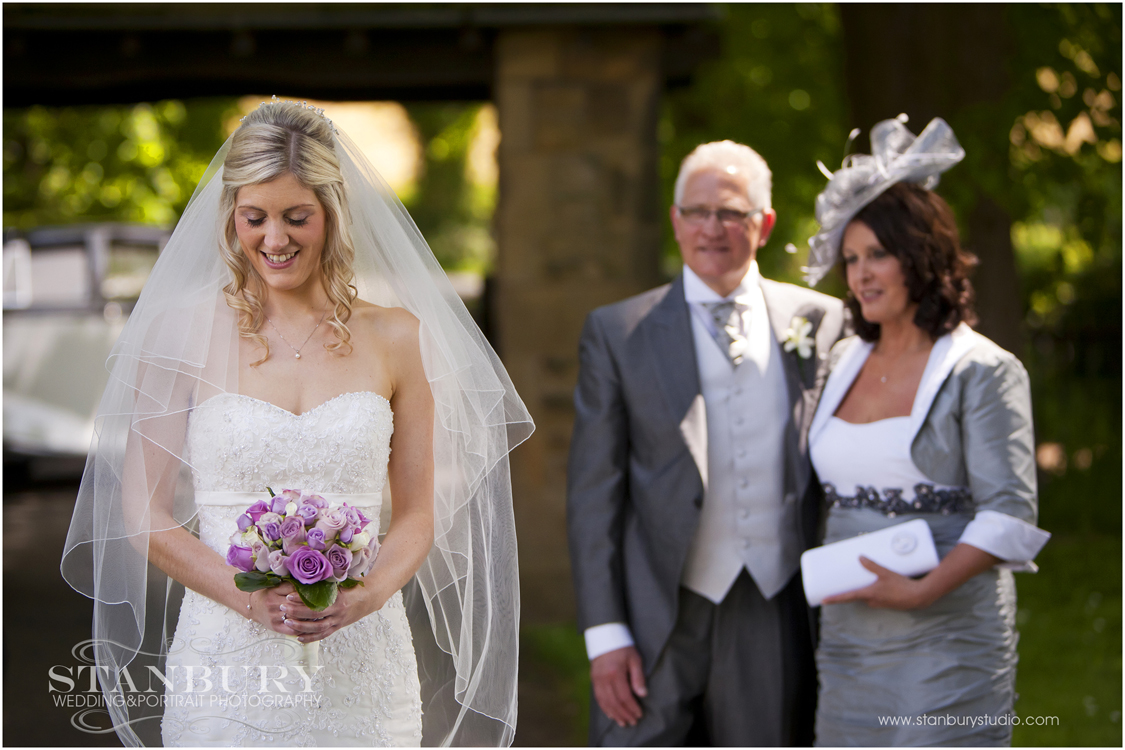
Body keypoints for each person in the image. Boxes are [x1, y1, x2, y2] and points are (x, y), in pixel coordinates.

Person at [61, 98, 533, 747]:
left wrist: (363, 597)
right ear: (231, 216)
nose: (274, 239)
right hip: (227, 661)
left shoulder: (397, 339)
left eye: (296, 217)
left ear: (333, 215)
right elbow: (145, 513)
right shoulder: (182, 334)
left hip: (364, 665)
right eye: (254, 217)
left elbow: (419, 514)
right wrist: (249, 597)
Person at [566, 140, 848, 745]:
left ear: (764, 225)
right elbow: (594, 495)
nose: (711, 228)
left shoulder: (822, 324)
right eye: (697, 212)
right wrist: (606, 631)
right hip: (655, 609)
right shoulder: (618, 332)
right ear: (675, 220)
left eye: (731, 214)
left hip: (773, 597)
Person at [801, 116, 1051, 746]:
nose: (859, 275)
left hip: (947, 635)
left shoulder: (984, 370)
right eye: (851, 259)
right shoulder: (840, 361)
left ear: (921, 254)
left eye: (877, 255)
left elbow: (1009, 514)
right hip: (849, 640)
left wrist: (923, 591)